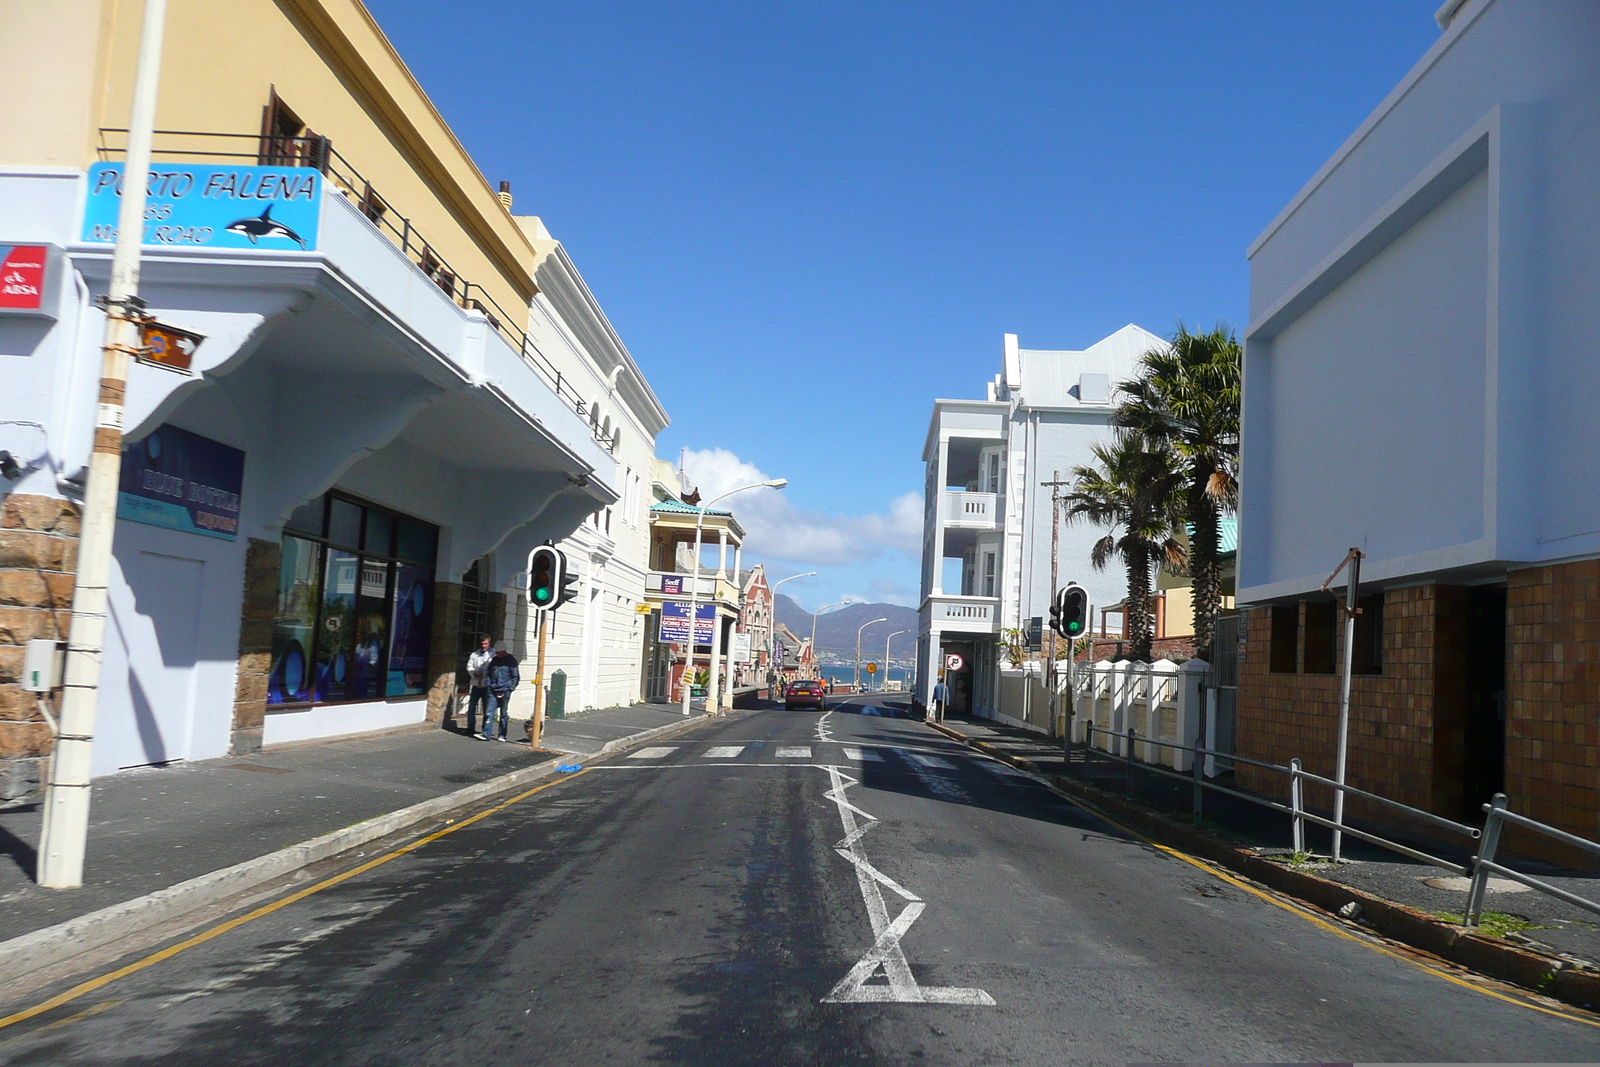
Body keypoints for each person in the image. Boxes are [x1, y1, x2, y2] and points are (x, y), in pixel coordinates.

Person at [482, 643, 521, 742]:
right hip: (493, 689)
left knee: (503, 714)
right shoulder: (494, 661)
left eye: (498, 652)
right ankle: (486, 734)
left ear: (503, 651)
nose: (496, 653)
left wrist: (510, 688)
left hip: (505, 690)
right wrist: (489, 685)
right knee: (489, 712)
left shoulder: (511, 662)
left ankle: (502, 735)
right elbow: (488, 673)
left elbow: (515, 676)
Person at [464, 634, 494, 737]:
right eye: (482, 643)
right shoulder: (474, 654)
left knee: (487, 709)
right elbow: (469, 666)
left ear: (489, 643)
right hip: (476, 684)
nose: (483, 645)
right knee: (472, 707)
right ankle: (470, 727)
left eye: (485, 643)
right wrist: (474, 673)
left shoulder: (492, 655)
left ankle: (485, 729)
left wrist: (485, 675)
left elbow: (493, 668)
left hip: (487, 685)